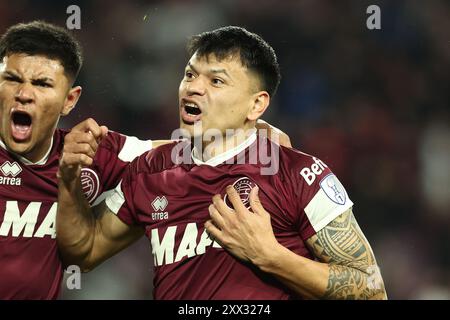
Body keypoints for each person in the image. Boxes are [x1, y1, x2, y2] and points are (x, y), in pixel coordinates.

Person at [56, 26, 387, 299]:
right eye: (189, 75)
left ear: (256, 105)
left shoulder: (296, 173)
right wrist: (69, 181)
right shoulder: (151, 170)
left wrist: (272, 257)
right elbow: (83, 252)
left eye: (215, 81)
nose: (192, 88)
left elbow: (371, 289)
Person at [0, 21, 288, 299]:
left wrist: (260, 131)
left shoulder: (90, 151)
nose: (24, 94)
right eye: (12, 79)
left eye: (41, 84)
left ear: (70, 100)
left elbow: (186, 152)